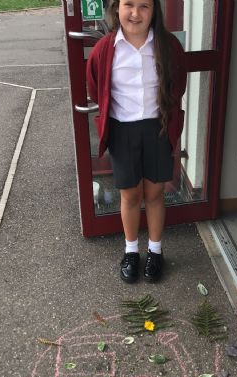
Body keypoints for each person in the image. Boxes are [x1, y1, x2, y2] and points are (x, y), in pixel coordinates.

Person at [86, 0, 187, 283]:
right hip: (122, 130)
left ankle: (155, 250)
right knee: (130, 195)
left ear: (154, 11)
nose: (135, 13)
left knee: (154, 193)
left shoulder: (168, 47)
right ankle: (131, 251)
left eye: (144, 6)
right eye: (128, 4)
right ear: (116, 8)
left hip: (157, 128)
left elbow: (178, 83)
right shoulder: (105, 49)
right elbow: (95, 88)